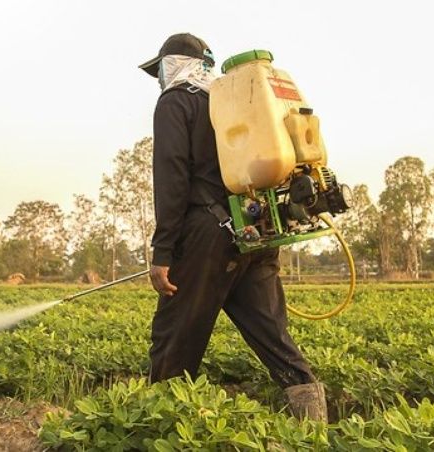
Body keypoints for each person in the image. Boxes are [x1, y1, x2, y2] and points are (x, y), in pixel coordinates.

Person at [138, 33, 327, 421]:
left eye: (159, 69)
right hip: (256, 231)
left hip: (206, 237)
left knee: (173, 337)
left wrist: (163, 253)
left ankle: (158, 427)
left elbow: (172, 179)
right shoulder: (235, 104)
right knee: (273, 336)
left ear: (172, 65)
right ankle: (314, 425)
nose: (158, 78)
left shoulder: (177, 101)